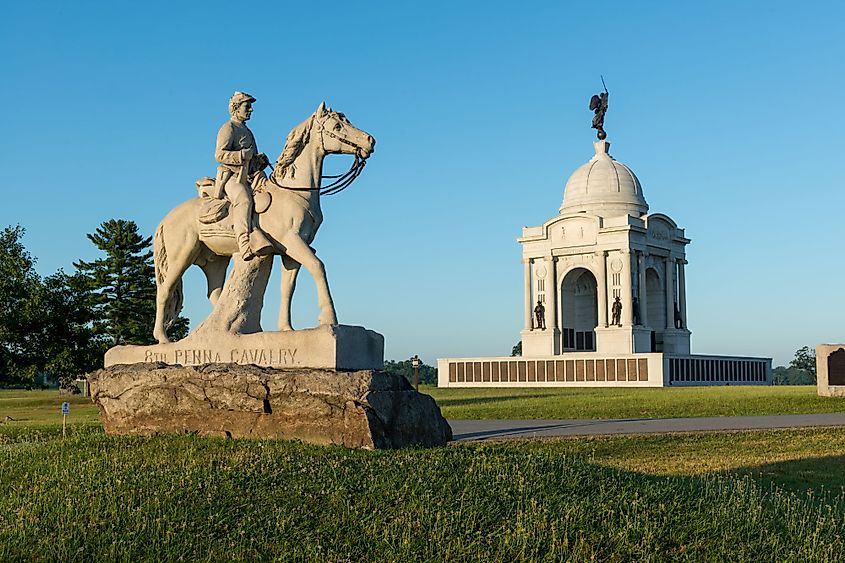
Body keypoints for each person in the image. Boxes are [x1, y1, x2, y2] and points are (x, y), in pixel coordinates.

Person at [214, 91, 271, 261]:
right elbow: (219, 154)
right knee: (244, 200)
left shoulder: (248, 131)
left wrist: (258, 161)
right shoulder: (228, 128)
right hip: (232, 177)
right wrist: (241, 156)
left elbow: (250, 159)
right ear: (236, 108)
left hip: (249, 176)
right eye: (247, 106)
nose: (251, 110)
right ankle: (244, 243)